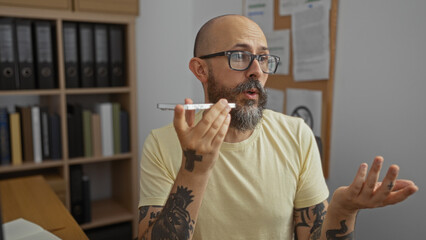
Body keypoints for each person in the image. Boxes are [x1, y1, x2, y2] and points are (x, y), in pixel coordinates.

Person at [137, 14, 418, 240]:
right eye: (239, 56)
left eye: (263, 58)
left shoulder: (297, 134)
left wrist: (343, 211)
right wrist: (194, 169)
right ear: (200, 69)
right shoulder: (161, 144)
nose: (257, 71)